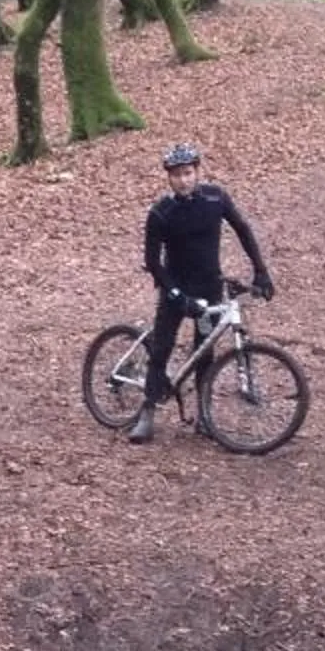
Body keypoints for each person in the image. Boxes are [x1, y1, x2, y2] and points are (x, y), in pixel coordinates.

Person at [130, 142, 272, 445]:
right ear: (168, 177)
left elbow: (243, 230)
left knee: (203, 351)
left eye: (188, 173)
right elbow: (153, 263)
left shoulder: (215, 199)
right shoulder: (161, 213)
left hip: (208, 288)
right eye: (177, 175)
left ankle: (204, 415)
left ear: (197, 172)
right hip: (176, 290)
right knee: (162, 347)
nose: (184, 180)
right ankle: (147, 410)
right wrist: (177, 295)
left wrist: (261, 270)